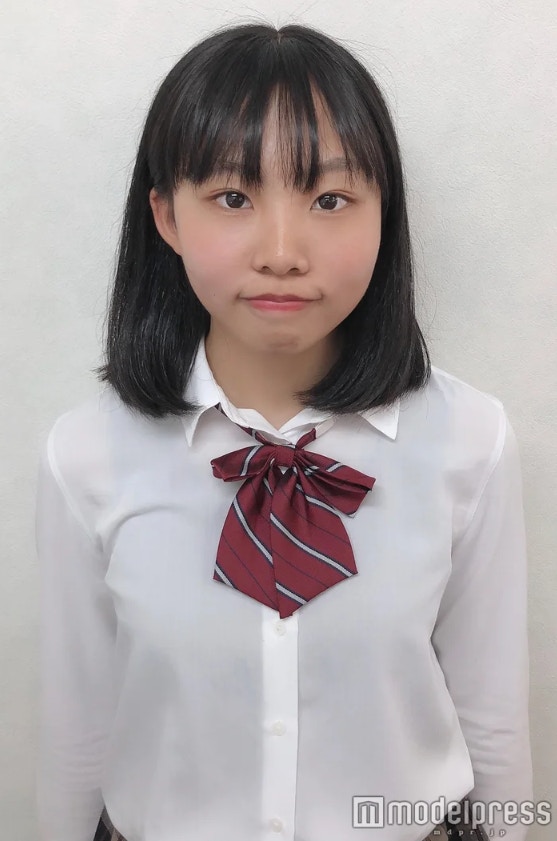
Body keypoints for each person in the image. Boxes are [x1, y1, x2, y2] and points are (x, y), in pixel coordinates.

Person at [35, 21, 533, 841]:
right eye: (232, 198)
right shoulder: (84, 456)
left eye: (329, 200)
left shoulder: (470, 441)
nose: (280, 251)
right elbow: (77, 730)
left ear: (383, 214)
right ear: (165, 215)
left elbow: (494, 721)